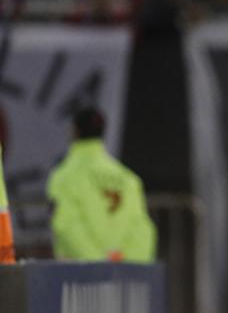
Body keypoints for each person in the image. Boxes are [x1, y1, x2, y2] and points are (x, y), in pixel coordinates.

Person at [47, 107, 156, 263]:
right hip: (125, 275)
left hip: (79, 277)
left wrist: (99, 264)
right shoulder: (128, 178)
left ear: (74, 131)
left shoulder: (63, 177)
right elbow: (141, 228)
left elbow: (66, 225)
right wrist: (129, 264)